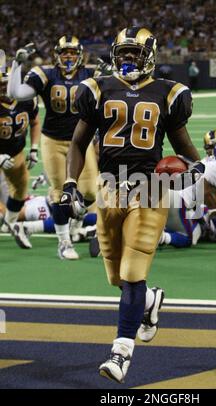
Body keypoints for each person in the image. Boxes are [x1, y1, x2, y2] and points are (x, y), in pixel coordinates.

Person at [60, 27, 201, 384]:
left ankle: (121, 352)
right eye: (122, 53)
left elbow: (188, 154)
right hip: (109, 188)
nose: (126, 60)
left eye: (134, 54)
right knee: (117, 278)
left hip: (149, 187)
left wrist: (189, 173)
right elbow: (77, 143)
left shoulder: (169, 93)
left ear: (150, 56)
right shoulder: (97, 89)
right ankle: (150, 300)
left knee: (133, 272)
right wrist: (71, 183)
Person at [8, 37, 98, 259]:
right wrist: (16, 65)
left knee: (90, 192)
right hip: (54, 140)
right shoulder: (46, 74)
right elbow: (16, 94)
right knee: (60, 193)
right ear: (57, 54)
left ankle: (75, 223)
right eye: (65, 53)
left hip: (81, 140)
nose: (68, 57)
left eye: (72, 52)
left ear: (80, 54)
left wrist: (111, 74)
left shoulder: (89, 74)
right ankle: (64, 243)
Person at [0, 51, 41, 249]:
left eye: (4, 83)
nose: (3, 88)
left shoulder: (26, 99)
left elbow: (34, 122)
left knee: (21, 191)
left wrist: (34, 148)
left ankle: (10, 224)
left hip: (15, 152)